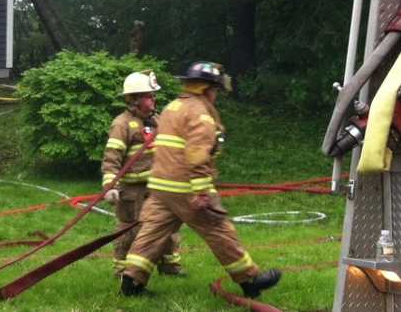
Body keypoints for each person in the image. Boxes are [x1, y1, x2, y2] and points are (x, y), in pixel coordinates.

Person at [120, 62, 281, 299]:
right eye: (215, 90)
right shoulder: (200, 114)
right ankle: (250, 280)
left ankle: (131, 283)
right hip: (186, 188)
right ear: (207, 89)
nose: (216, 95)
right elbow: (197, 154)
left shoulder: (172, 107)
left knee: (151, 235)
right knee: (219, 230)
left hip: (161, 187)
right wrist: (202, 191)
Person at [101, 71, 181, 274]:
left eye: (153, 95)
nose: (154, 99)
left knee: (166, 225)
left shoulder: (158, 120)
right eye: (149, 96)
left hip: (158, 187)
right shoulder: (122, 124)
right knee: (129, 230)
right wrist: (110, 185)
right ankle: (123, 270)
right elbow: (112, 157)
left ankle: (170, 265)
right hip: (132, 191)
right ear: (134, 99)